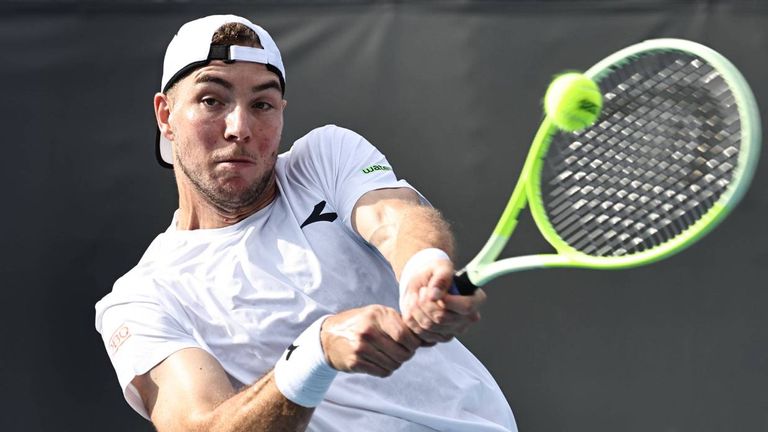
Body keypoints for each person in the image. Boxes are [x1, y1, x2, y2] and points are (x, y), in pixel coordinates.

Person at [95, 14, 517, 432]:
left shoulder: (324, 158)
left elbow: (395, 218)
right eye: (212, 100)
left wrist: (422, 265)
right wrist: (317, 351)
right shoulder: (141, 300)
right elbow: (202, 427)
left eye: (261, 104)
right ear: (166, 115)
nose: (239, 128)